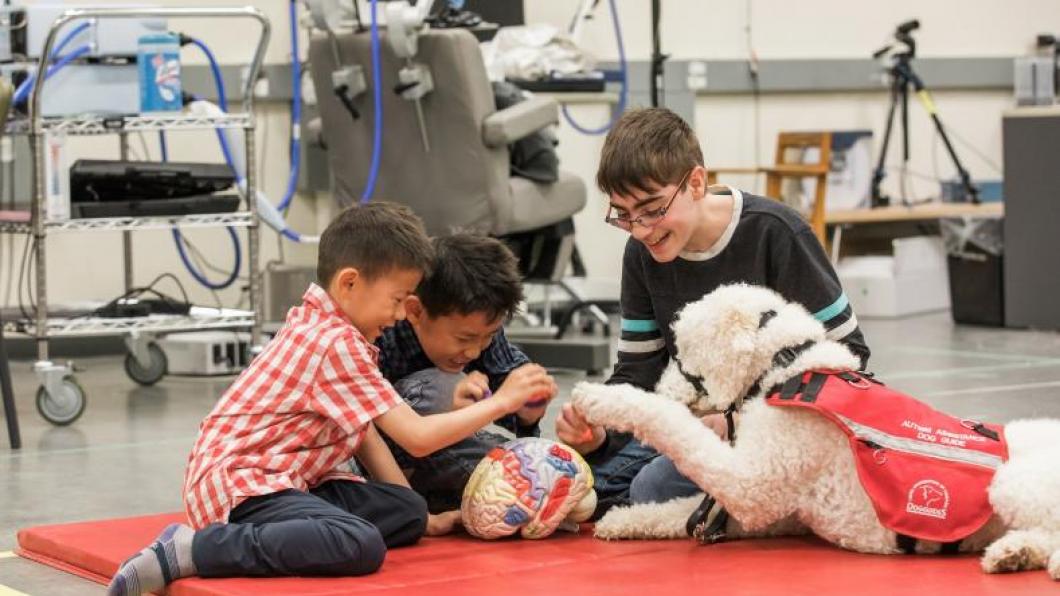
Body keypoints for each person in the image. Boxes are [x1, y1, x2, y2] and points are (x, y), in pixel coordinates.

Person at [107, 203, 556, 596]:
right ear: (349, 284)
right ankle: (192, 550)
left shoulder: (337, 329)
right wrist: (502, 403)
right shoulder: (333, 342)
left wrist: (417, 515)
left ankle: (325, 522)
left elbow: (362, 432)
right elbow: (416, 438)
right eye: (397, 300)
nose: (401, 314)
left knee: (405, 511)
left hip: (294, 478)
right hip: (246, 483)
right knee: (359, 544)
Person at [555, 108, 871, 513]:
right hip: (697, 429)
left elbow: (851, 358)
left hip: (782, 429)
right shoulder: (641, 252)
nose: (640, 229)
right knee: (577, 481)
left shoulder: (776, 233)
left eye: (652, 209)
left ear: (697, 183)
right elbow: (640, 372)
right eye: (624, 215)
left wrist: (739, 422)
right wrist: (599, 431)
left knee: (645, 490)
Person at [375, 234, 553, 513]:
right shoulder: (379, 333)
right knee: (441, 386)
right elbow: (367, 434)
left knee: (537, 466)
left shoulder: (481, 333)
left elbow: (510, 382)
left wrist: (528, 410)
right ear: (415, 311)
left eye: (488, 336)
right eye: (463, 339)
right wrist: (459, 408)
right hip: (380, 464)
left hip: (440, 454)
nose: (473, 352)